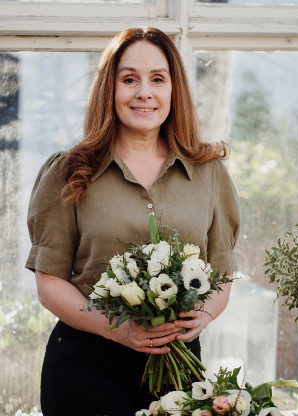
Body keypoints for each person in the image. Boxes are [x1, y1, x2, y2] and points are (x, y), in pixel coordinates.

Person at [25, 27, 240, 415]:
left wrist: (200, 317)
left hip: (179, 366)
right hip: (87, 367)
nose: (144, 93)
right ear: (110, 89)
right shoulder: (69, 172)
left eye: (157, 79)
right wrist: (118, 328)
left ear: (174, 90)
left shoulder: (209, 174)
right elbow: (50, 282)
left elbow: (223, 274)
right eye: (129, 80)